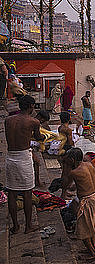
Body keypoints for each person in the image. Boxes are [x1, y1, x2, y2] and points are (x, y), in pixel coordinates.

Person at [5, 95, 42, 234]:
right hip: (23, 158)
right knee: (27, 193)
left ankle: (15, 226)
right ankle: (28, 226)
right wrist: (43, 136)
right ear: (31, 106)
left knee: (12, 193)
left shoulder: (8, 120)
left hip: (10, 158)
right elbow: (38, 137)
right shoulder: (33, 122)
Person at [61, 148, 95, 260]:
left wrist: (66, 167)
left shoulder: (74, 172)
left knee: (84, 230)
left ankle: (93, 254)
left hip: (87, 200)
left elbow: (65, 184)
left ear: (72, 160)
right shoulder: (89, 164)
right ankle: (92, 249)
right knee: (90, 227)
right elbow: (94, 175)